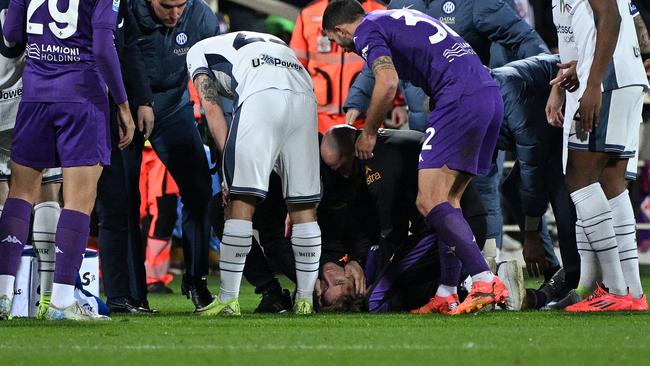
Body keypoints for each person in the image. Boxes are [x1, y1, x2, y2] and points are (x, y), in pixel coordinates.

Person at [322, 1, 507, 315]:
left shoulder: (367, 30)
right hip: (485, 94)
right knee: (449, 201)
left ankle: (484, 278)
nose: (339, 47)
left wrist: (368, 132)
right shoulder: (399, 16)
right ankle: (447, 291)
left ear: (340, 29)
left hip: (458, 98)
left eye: (334, 40)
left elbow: (387, 81)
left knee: (429, 202)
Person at [342, 0, 550, 264]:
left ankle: (486, 269)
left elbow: (520, 36)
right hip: (444, 110)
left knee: (464, 194)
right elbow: (377, 61)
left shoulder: (474, 4)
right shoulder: (398, 6)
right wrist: (356, 101)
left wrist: (545, 81)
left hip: (462, 103)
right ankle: (450, 285)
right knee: (443, 203)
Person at [0, 0, 135, 320]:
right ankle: (61, 300)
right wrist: (123, 103)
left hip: (34, 95)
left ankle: (3, 294)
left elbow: (10, 33)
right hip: (81, 95)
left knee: (19, 193)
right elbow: (103, 48)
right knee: (78, 199)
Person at [187, 31, 321, 315]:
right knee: (303, 206)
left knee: (240, 202)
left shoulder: (198, 50)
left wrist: (228, 169)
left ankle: (228, 299)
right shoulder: (272, 40)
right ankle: (306, 300)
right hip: (305, 96)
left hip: (262, 97)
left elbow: (211, 108)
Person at [320, 126, 500, 314]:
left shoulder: (377, 167)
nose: (344, 174)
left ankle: (469, 283)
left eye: (343, 167)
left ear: (355, 150)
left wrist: (374, 280)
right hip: (459, 224)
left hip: (452, 230)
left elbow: (391, 234)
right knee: (404, 279)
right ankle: (470, 277)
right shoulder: (385, 143)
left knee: (375, 300)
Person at [547, 0, 649, 312]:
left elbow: (612, 17)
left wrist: (594, 85)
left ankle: (616, 290)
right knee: (610, 181)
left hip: (609, 81)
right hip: (621, 80)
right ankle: (631, 290)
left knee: (579, 179)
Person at [131, 0, 218, 312]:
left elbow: (213, 75)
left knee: (199, 190)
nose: (175, 14)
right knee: (124, 203)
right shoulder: (125, 10)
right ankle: (130, 292)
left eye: (181, 5)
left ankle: (196, 279)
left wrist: (220, 133)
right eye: (167, 6)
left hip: (172, 110)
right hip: (125, 110)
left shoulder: (201, 16)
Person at [492, 54, 581, 305]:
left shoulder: (510, 99)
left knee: (560, 196)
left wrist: (530, 237)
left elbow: (532, 174)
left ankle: (573, 277)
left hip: (560, 125)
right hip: (546, 129)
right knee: (510, 188)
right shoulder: (482, 101)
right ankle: (554, 271)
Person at [0, 0, 62, 320]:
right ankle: (49, 298)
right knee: (47, 191)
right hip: (33, 102)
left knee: (6, 198)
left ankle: (2, 294)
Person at [95, 0, 157, 315]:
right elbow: (105, 49)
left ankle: (117, 296)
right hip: (90, 104)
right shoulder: (107, 3)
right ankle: (52, 292)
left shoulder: (121, 7)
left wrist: (142, 99)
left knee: (114, 205)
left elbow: (129, 48)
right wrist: (123, 105)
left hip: (42, 98)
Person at [290, 0, 389, 134]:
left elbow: (393, 61)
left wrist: (399, 104)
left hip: (366, 118)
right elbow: (295, 70)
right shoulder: (308, 14)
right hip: (319, 121)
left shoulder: (380, 11)